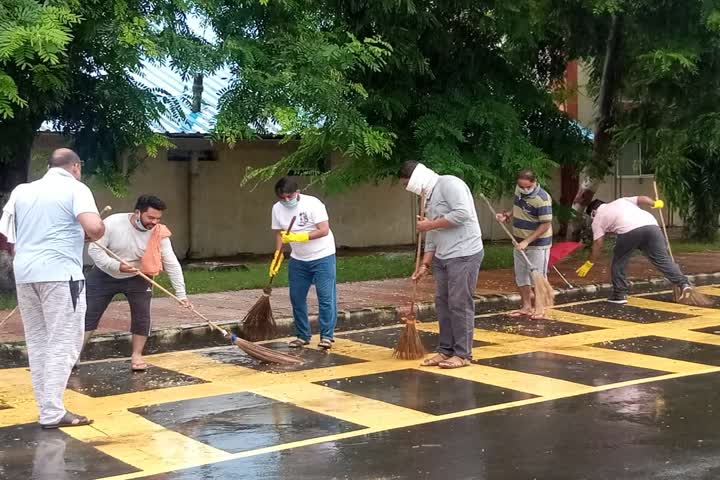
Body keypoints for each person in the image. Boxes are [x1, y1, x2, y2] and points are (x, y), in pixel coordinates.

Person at [0, 148, 104, 428]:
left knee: (38, 343)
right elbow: (93, 229)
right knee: (64, 343)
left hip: (25, 274)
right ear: (76, 166)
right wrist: (97, 230)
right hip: (61, 275)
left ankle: (48, 409)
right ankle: (52, 412)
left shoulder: (22, 190)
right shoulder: (76, 188)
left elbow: (6, 234)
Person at [83, 195, 191, 371]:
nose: (154, 222)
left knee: (142, 316)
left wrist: (181, 294)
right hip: (104, 273)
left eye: (158, 218)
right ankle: (73, 356)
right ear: (137, 213)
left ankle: (137, 355)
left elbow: (171, 262)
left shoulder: (159, 232)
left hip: (139, 274)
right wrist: (117, 266)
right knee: (88, 314)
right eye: (150, 217)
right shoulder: (113, 223)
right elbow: (95, 251)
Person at [399, 161, 484, 369]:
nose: (406, 188)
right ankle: (446, 350)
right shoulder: (427, 197)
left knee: (459, 303)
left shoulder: (449, 183)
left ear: (415, 178)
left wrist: (430, 224)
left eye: (405, 184)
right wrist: (425, 264)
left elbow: (462, 214)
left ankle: (463, 354)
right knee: (442, 302)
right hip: (443, 257)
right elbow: (432, 235)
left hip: (464, 253)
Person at [576, 195, 693, 303]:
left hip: (629, 231)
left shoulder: (598, 218)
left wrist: (589, 263)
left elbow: (598, 244)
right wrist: (654, 203)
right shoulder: (622, 201)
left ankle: (619, 295)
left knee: (618, 262)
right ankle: (684, 284)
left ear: (593, 212)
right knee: (663, 260)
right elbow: (642, 198)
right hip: (652, 226)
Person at [270, 177, 337, 350]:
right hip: (298, 258)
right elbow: (279, 233)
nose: (286, 201)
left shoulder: (313, 204)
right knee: (297, 297)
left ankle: (327, 336)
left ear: (297, 192)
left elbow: (324, 229)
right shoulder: (277, 209)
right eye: (282, 198)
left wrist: (302, 236)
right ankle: (302, 335)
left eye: (289, 197)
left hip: (322, 256)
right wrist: (278, 253)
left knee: (325, 297)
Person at [495, 169, 553, 319]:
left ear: (534, 182)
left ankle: (540, 308)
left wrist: (527, 241)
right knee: (521, 276)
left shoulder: (543, 199)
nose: (525, 189)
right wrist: (507, 215)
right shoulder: (519, 191)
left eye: (528, 187)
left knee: (538, 276)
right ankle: (526, 306)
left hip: (538, 244)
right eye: (522, 187)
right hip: (518, 241)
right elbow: (518, 207)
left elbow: (545, 224)